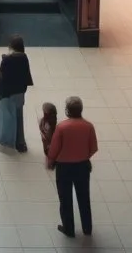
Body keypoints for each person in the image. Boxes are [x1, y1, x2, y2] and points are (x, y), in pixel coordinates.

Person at [47, 96, 98, 238]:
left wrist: (51, 161)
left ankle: (69, 229)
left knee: (65, 198)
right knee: (84, 197)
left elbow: (54, 150)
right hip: (82, 167)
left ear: (67, 111)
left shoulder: (62, 127)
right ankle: (87, 228)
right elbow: (93, 147)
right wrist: (83, 156)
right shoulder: (88, 126)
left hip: (64, 168)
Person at [0, 35, 33, 152]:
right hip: (20, 93)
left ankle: (5, 142)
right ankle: (20, 142)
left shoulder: (7, 60)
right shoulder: (24, 58)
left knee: (7, 117)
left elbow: (2, 79)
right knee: (18, 116)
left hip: (7, 94)